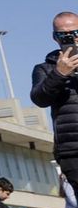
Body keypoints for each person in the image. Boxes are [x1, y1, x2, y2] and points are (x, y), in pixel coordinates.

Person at [31, 12, 78, 192]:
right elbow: (39, 99)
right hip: (72, 150)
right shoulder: (45, 68)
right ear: (54, 37)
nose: (70, 38)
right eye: (63, 34)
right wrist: (59, 74)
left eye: (74, 33)